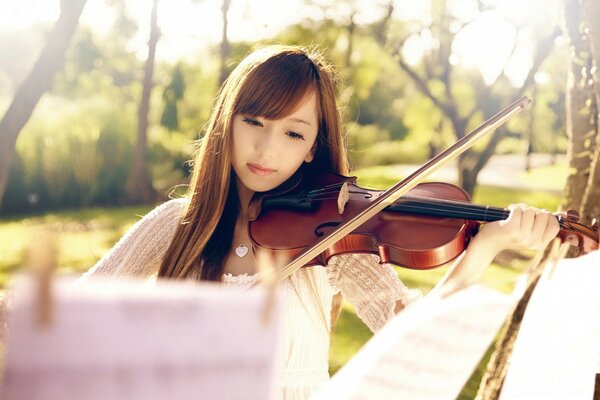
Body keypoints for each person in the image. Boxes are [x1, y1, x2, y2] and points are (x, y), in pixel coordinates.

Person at [81, 44, 560, 399]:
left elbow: (413, 335)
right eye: (254, 122)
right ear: (227, 121)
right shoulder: (174, 226)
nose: (267, 149)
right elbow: (69, 314)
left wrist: (486, 247)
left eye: (292, 132)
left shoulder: (334, 234)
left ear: (313, 147)